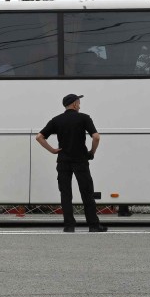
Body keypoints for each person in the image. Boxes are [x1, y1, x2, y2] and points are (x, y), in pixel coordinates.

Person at [35, 94, 108, 233]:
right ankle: (93, 225)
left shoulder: (56, 120)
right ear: (74, 104)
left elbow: (39, 137)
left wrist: (53, 150)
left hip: (63, 161)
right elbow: (96, 137)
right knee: (87, 192)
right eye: (79, 103)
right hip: (80, 160)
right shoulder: (84, 118)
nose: (80, 106)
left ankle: (69, 225)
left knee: (66, 194)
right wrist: (92, 152)